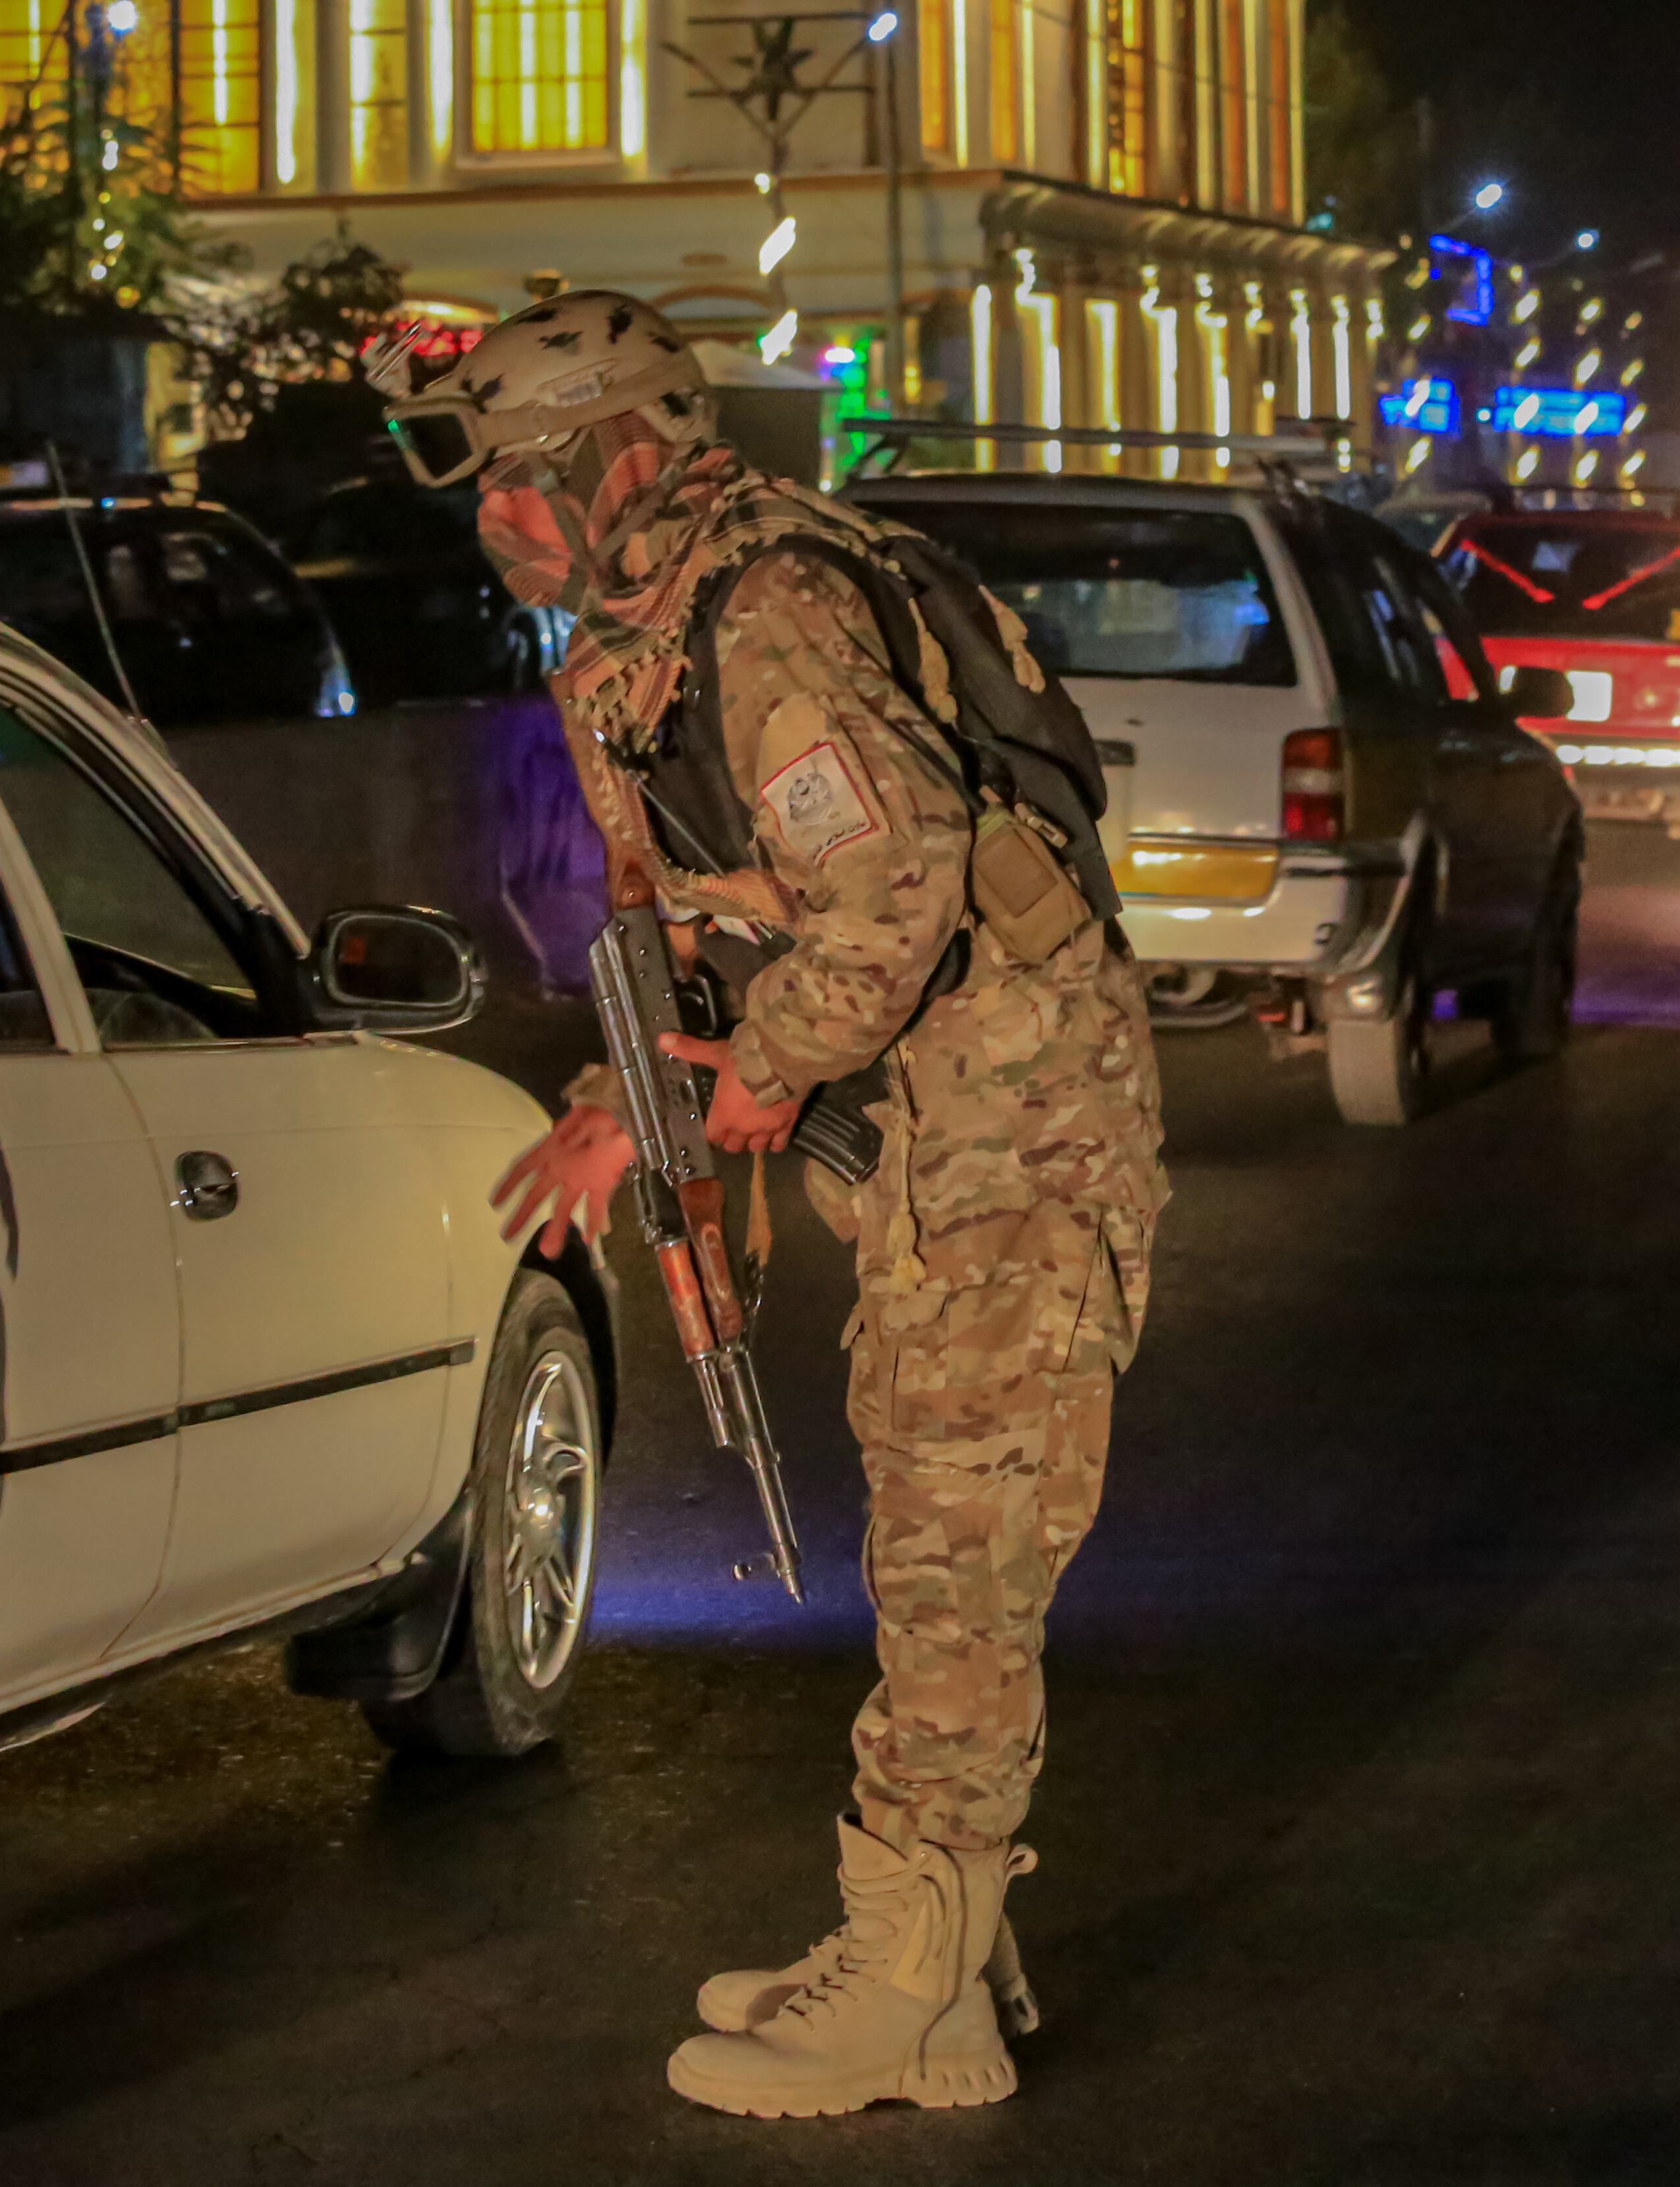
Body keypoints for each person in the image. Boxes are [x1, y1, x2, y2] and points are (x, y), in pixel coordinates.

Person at [394, 291, 1165, 2116]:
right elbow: (707, 925)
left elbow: (887, 897)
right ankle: (942, 1972)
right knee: (938, 1534)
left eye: (520, 477)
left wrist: (755, 1080)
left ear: (624, 454)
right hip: (931, 1138)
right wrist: (630, 1104)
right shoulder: (648, 632)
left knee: (957, 1563)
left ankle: (907, 1982)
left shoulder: (769, 609)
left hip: (1016, 1144)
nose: (496, 518)